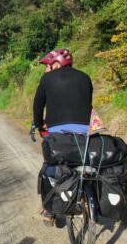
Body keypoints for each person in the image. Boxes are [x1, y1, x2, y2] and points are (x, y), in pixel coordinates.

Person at [33, 49, 93, 225]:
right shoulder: (85, 77)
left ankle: (50, 210)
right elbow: (86, 104)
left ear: (57, 64)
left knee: (49, 167)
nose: (46, 70)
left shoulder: (47, 79)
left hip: (58, 133)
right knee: (82, 161)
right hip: (84, 131)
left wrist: (39, 124)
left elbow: (37, 106)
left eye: (48, 66)